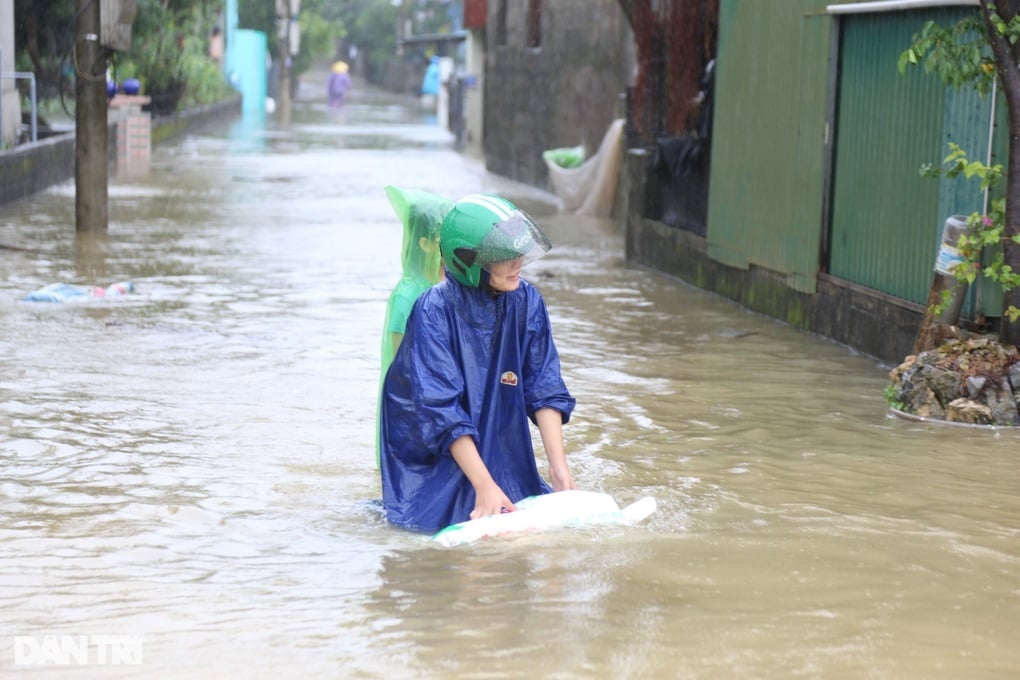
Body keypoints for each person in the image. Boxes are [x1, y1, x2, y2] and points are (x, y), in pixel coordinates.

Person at [378, 193, 576, 533]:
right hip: (438, 453)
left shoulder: (526, 300)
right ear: (469, 260)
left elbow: (543, 384)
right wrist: (484, 485)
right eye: (503, 255)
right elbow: (441, 411)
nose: (518, 263)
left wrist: (559, 470)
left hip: (501, 445)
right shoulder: (433, 310)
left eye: (519, 253)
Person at [375, 186, 451, 467]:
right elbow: (400, 365)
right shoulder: (407, 294)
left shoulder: (438, 287)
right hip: (410, 410)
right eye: (441, 238)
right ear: (424, 243)